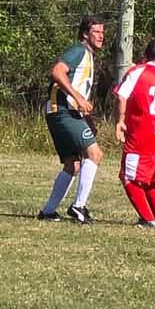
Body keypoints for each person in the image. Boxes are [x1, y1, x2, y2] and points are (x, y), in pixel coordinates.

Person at [38, 16, 107, 224]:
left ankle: (48, 211)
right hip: (62, 111)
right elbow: (58, 72)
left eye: (103, 32)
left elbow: (78, 87)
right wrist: (78, 98)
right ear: (85, 34)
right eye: (96, 31)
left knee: (73, 164)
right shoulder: (79, 51)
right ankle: (78, 207)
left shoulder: (89, 57)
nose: (101, 36)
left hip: (62, 112)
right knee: (94, 154)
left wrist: (88, 120)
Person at [115, 38, 155, 228]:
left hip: (142, 133)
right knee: (150, 178)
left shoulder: (138, 72)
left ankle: (147, 218)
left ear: (145, 54)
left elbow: (122, 95)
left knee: (129, 177)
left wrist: (120, 121)